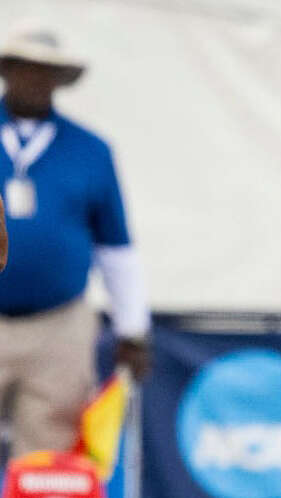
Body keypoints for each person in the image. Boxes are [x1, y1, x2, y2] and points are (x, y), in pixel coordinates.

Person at [0, 24, 150, 459]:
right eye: (26, 68)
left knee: (49, 448)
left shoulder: (90, 150)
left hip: (59, 324)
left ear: (60, 80)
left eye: (47, 71)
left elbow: (116, 245)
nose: (35, 80)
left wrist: (133, 327)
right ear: (8, 70)